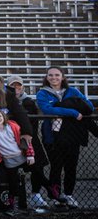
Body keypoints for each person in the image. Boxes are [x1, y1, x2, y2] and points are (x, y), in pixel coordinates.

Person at [35, 66, 92, 208]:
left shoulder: (73, 91)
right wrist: (72, 111)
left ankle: (69, 195)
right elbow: (48, 109)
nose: (53, 78)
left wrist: (61, 108)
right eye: (50, 75)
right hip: (52, 136)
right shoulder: (43, 93)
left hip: (72, 135)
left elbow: (89, 106)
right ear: (46, 77)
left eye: (57, 75)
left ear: (63, 77)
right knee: (56, 167)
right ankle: (56, 197)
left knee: (71, 166)